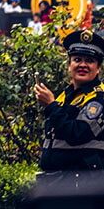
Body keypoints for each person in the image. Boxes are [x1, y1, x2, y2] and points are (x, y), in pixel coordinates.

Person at [35, 29, 104, 171]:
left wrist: (51, 105)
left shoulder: (99, 98)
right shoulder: (64, 96)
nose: (83, 65)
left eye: (90, 61)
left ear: (98, 68)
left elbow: (77, 133)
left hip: (84, 184)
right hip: (58, 182)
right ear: (69, 65)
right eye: (77, 60)